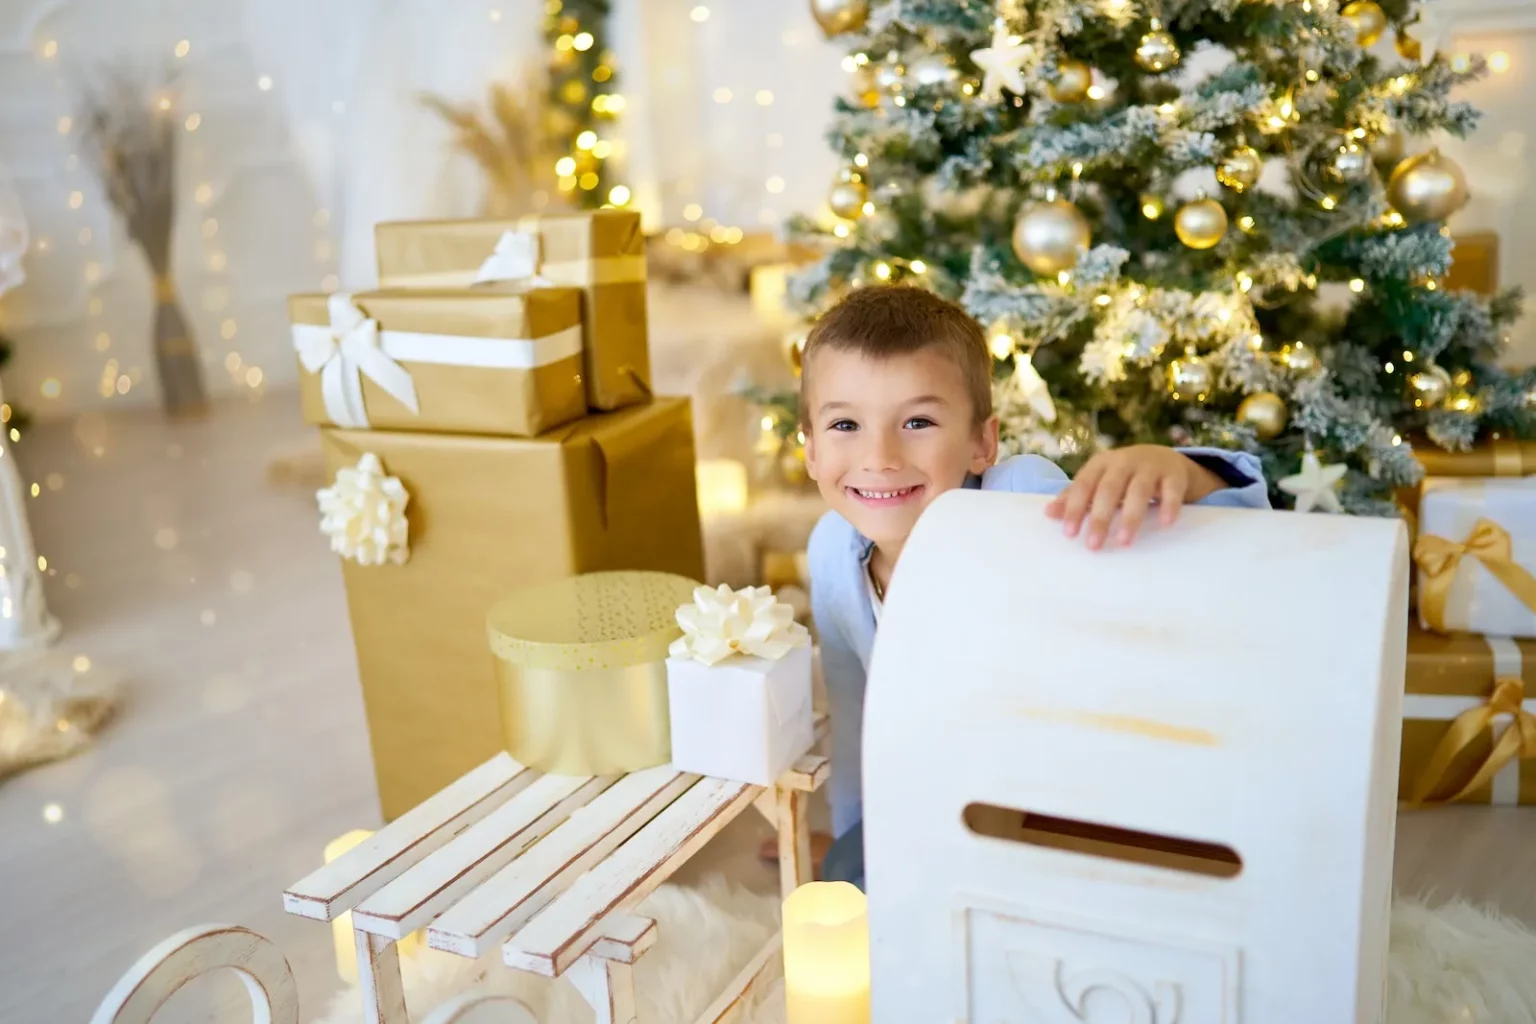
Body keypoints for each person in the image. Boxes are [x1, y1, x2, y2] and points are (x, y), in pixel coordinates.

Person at [799, 285, 1271, 887]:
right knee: (851, 878)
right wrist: (854, 834)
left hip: (1082, 792)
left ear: (981, 443)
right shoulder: (833, 551)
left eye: (918, 421)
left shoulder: (1019, 498)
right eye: (845, 424)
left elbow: (1233, 551)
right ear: (811, 451)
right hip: (953, 795)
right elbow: (857, 707)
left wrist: (1183, 471)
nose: (881, 456)